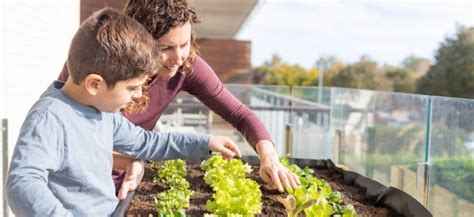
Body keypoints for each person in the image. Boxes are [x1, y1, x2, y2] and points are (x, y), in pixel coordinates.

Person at [5, 8, 241, 216]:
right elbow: (22, 183)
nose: (139, 95)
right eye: (131, 87)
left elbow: (146, 142)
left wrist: (206, 142)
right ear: (94, 84)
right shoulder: (50, 118)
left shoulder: (101, 112)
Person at [59, 0, 300, 197]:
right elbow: (65, 140)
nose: (179, 57)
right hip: (74, 188)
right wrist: (126, 161)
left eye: (184, 44)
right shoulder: (96, 64)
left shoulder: (186, 66)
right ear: (137, 42)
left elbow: (240, 114)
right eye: (165, 49)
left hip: (126, 185)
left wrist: (269, 158)